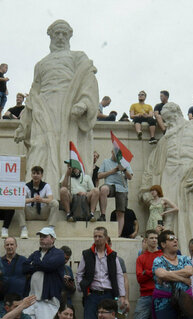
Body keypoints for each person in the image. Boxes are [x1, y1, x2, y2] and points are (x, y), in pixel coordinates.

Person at [13, 19, 99, 185]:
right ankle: (40, 188)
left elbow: (88, 77)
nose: (60, 37)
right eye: (57, 33)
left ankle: (69, 189)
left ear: (69, 37)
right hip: (44, 108)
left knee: (67, 148)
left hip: (68, 107)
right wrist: (24, 125)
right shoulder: (40, 64)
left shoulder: (78, 56)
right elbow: (33, 94)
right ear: (51, 37)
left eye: (64, 34)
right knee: (40, 147)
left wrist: (84, 102)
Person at [76, 227, 128, 319]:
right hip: (92, 295)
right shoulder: (87, 254)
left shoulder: (112, 255)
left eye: (100, 236)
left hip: (108, 295)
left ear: (106, 238)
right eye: (95, 236)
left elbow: (119, 275)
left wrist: (122, 296)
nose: (97, 238)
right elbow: (79, 273)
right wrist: (82, 288)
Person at [22, 226, 65, 319]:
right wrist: (39, 265)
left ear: (53, 239)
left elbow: (48, 266)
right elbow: (24, 268)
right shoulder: (36, 253)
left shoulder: (59, 253)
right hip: (31, 300)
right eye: (40, 236)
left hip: (48, 300)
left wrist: (35, 263)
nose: (41, 238)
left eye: (45, 236)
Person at [97, 149, 134, 235]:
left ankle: (118, 234)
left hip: (122, 188)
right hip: (110, 185)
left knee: (120, 212)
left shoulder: (125, 162)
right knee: (103, 189)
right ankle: (103, 215)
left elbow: (130, 177)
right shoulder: (106, 162)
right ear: (112, 152)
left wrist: (124, 170)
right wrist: (113, 171)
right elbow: (99, 175)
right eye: (115, 153)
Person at [19, 165, 58, 238]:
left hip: (42, 212)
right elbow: (21, 199)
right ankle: (23, 229)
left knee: (55, 203)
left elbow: (50, 199)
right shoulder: (26, 186)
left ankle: (51, 229)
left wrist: (42, 200)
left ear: (41, 175)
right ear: (31, 174)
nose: (35, 175)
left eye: (38, 173)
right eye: (33, 173)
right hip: (30, 212)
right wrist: (32, 199)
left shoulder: (46, 186)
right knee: (18, 203)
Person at [133, 230, 160, 319]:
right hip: (145, 296)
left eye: (156, 238)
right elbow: (139, 278)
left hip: (160, 296)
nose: (154, 240)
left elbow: (165, 275)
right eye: (151, 238)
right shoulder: (141, 258)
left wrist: (146, 272)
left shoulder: (162, 256)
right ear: (146, 240)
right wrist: (153, 271)